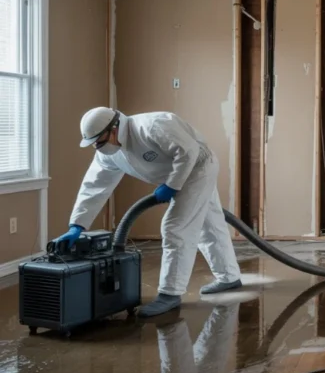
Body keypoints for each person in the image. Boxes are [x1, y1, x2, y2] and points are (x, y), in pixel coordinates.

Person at [53, 107, 243, 317]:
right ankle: (229, 276)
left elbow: (188, 151)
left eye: (99, 141)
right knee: (209, 224)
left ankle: (170, 293)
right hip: (177, 175)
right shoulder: (109, 153)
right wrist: (76, 226)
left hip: (199, 166)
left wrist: (172, 185)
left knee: (175, 227)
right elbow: (94, 186)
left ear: (114, 128)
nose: (98, 147)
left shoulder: (152, 126)